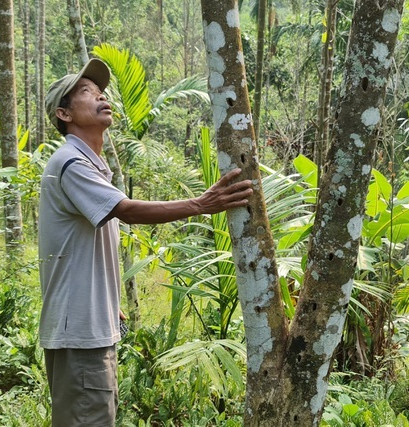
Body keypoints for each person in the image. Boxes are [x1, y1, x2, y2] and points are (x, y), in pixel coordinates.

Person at [39, 58, 252, 426]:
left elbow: (78, 244)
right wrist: (201, 204)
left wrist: (107, 299)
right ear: (65, 113)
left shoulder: (87, 164)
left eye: (101, 91)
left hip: (85, 326)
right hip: (81, 335)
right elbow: (127, 210)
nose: (100, 96)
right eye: (86, 93)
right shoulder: (72, 162)